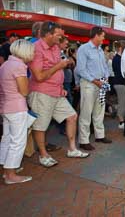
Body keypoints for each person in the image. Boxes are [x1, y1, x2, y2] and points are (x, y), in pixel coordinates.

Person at [29, 21, 89, 168]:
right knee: (41, 125)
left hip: (57, 92)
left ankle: (72, 149)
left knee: (72, 116)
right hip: (41, 92)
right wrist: (59, 66)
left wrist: (61, 86)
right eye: (58, 35)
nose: (61, 37)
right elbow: (39, 76)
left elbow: (57, 71)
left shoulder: (55, 47)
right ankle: (43, 155)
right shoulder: (36, 49)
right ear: (48, 34)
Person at [0, 40, 35, 184]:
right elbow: (25, 91)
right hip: (16, 107)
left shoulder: (6, 65)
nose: (33, 54)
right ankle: (11, 175)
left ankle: (6, 169)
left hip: (6, 107)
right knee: (18, 141)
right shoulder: (19, 66)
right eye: (32, 51)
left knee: (7, 139)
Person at [75, 26, 112, 151]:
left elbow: (105, 67)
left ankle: (99, 135)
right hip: (89, 84)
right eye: (102, 36)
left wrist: (106, 77)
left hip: (100, 84)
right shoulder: (84, 49)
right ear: (96, 35)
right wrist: (95, 81)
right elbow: (80, 69)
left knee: (99, 111)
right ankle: (83, 140)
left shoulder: (100, 50)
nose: (104, 38)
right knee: (86, 112)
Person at [112, 40, 125, 129]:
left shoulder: (119, 58)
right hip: (120, 83)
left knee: (124, 102)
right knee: (122, 103)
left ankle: (122, 119)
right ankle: (121, 121)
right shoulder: (117, 58)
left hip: (121, 83)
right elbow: (121, 73)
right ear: (121, 48)